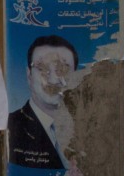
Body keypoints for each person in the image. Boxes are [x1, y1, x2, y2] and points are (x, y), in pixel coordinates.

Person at [8, 34, 79, 169]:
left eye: (62, 69)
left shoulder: (92, 128)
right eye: (42, 68)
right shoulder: (10, 128)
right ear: (29, 75)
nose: (52, 79)